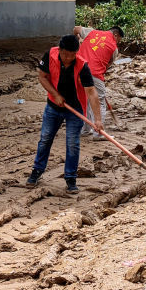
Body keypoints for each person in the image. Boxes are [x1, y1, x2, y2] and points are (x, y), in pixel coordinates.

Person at [26, 34, 103, 193]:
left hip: (75, 110)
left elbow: (92, 93)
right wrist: (55, 95)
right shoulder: (50, 55)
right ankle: (37, 171)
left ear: (77, 52)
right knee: (45, 139)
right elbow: (42, 77)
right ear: (59, 50)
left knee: (72, 144)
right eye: (65, 54)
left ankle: (70, 178)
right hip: (53, 107)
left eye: (72, 55)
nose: (68, 58)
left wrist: (98, 120)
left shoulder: (82, 66)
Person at [73, 24, 123, 139]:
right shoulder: (114, 48)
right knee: (99, 101)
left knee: (86, 101)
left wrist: (76, 39)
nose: (117, 42)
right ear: (115, 35)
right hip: (94, 73)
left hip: (78, 70)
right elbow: (107, 65)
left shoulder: (91, 32)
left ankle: (85, 130)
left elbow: (76, 29)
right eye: (118, 39)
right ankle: (98, 133)